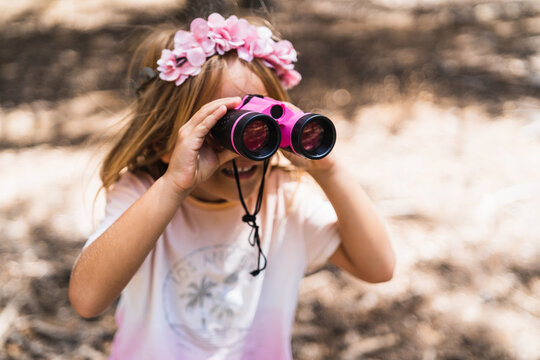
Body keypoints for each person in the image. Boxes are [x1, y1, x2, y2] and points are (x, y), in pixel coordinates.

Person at [69, 13, 395, 360]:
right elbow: (88, 300)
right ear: (165, 142)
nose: (245, 149)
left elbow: (378, 267)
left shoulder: (282, 201)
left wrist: (327, 169)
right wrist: (174, 184)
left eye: (263, 125)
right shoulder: (144, 193)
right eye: (227, 128)